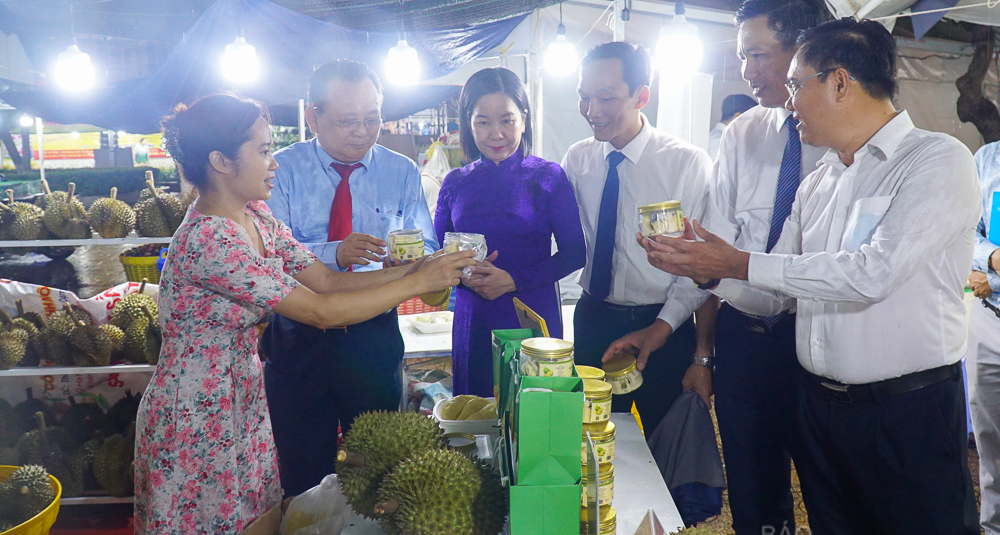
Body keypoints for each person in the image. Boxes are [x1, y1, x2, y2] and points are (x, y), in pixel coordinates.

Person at [642, 18, 982, 535]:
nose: (789, 101)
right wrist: (707, 270)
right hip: (825, 411)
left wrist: (737, 262)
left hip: (907, 414)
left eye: (798, 86)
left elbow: (871, 272)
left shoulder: (934, 161)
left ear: (840, 82)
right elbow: (779, 290)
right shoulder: (821, 180)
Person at [132, 94, 474, 535]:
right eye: (264, 151)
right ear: (221, 162)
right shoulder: (211, 240)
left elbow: (329, 284)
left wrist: (421, 271)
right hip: (195, 414)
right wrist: (413, 283)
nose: (275, 162)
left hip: (241, 400)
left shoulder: (258, 219)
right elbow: (318, 312)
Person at [702, 0, 832, 535]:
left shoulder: (841, 140)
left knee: (831, 492)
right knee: (753, 493)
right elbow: (722, 238)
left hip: (820, 339)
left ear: (803, 50)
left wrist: (727, 263)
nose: (746, 70)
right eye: (742, 55)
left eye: (757, 54)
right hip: (745, 336)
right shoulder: (743, 133)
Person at [263, 60, 438, 496]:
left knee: (380, 463)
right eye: (347, 121)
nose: (362, 131)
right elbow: (267, 254)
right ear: (312, 117)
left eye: (372, 119)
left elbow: (427, 248)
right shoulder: (278, 171)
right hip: (297, 336)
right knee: (303, 468)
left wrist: (413, 264)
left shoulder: (400, 172)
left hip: (372, 335)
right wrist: (333, 254)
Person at [562, 41, 715, 437]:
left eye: (606, 98)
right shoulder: (578, 160)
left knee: (663, 441)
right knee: (588, 437)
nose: (592, 111)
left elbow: (701, 266)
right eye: (584, 97)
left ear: (641, 96)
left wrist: (662, 328)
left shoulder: (685, 162)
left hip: (662, 322)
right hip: (594, 318)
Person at [434, 67, 585, 396]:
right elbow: (439, 253)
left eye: (506, 120)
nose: (495, 134)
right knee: (474, 418)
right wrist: (458, 274)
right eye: (482, 122)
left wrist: (514, 279)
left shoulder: (548, 177)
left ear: (524, 118)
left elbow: (575, 252)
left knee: (533, 415)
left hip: (532, 316)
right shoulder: (455, 183)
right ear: (468, 122)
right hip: (474, 319)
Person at [967, 141, 1000, 535]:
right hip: (987, 321)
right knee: (989, 438)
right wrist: (990, 257)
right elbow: (966, 228)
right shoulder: (987, 158)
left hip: (989, 291)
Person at [707, 93, 757, 161]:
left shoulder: (714, 137)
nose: (755, 126)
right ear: (737, 117)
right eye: (753, 120)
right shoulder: (722, 143)